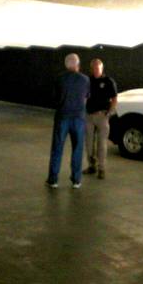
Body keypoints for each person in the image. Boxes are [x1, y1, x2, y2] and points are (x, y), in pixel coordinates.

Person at [46, 53, 91, 189]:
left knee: (57, 148)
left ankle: (53, 180)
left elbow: (55, 98)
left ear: (66, 65)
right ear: (77, 64)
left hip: (62, 117)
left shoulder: (59, 79)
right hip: (79, 118)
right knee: (77, 149)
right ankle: (76, 180)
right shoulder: (85, 80)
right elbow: (86, 98)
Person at [83, 58, 118, 179]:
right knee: (88, 143)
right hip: (89, 116)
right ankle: (91, 165)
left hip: (102, 116)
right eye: (94, 68)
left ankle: (101, 168)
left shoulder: (108, 81)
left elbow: (114, 99)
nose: (96, 70)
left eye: (98, 68)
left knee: (102, 144)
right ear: (91, 68)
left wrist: (110, 112)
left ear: (102, 68)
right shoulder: (87, 80)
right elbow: (84, 97)